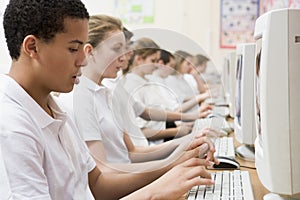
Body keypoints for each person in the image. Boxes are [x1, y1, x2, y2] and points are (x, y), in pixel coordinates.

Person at [0, 1, 216, 199]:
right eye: (73, 49)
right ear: (32, 47)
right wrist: (154, 192)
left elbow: (96, 183)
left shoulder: (54, 109)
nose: (83, 60)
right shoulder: (12, 127)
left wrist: (175, 162)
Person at [72, 14, 217, 172]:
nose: (125, 56)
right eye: (117, 49)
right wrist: (174, 163)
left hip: (131, 174)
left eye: (125, 49)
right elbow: (103, 174)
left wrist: (188, 141)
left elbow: (132, 153)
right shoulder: (81, 97)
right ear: (90, 51)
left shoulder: (105, 93)